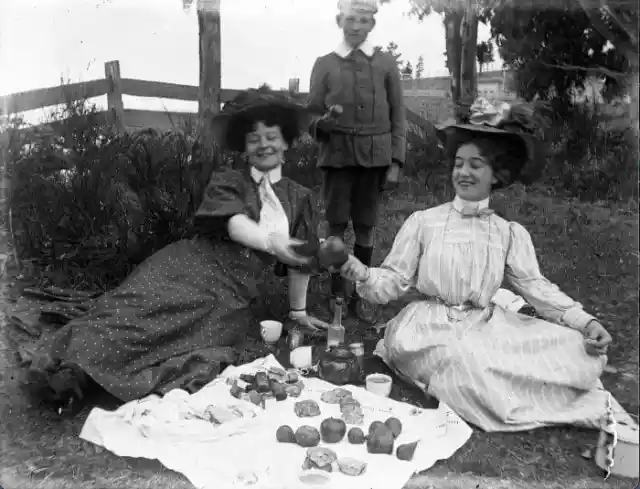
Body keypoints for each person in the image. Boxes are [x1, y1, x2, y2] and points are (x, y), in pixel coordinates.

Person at [27, 89, 328, 415]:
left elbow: (301, 259)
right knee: (134, 309)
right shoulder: (230, 181)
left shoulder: (300, 197)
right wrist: (271, 242)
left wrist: (297, 312)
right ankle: (72, 371)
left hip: (231, 294)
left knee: (178, 333)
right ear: (243, 146)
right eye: (254, 138)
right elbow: (233, 223)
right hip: (189, 262)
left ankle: (84, 375)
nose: (263, 144)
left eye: (271, 136)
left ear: (286, 142)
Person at [340, 97, 617, 432]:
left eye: (475, 165)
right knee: (468, 361)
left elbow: (535, 287)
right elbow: (394, 280)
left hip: (485, 325)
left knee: (573, 349)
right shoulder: (424, 222)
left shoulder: (507, 233)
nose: (464, 172)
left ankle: (506, 380)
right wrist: (365, 274)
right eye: (459, 163)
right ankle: (495, 388)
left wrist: (584, 322)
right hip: (428, 328)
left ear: (495, 175)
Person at [308, 0, 406, 319]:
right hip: (336, 156)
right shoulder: (325, 63)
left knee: (365, 226)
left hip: (374, 159)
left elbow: (398, 115)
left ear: (372, 25)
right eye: (350, 18)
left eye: (363, 20)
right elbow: (311, 113)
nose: (355, 26)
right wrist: (320, 124)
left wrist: (395, 162)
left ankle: (360, 294)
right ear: (339, 20)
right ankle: (337, 295)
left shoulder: (386, 63)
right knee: (335, 226)